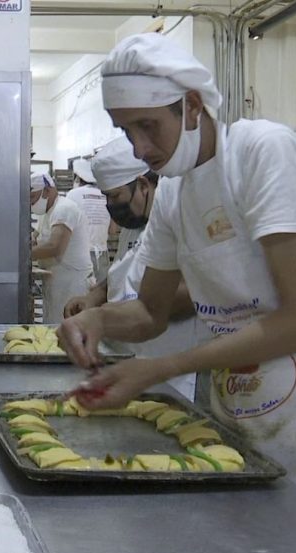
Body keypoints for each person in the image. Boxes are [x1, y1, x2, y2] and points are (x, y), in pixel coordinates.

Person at [57, 33, 296, 534]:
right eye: (125, 129)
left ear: (193, 106)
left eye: (148, 126)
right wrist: (96, 317)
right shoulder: (176, 192)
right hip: (234, 415)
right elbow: (149, 312)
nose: (140, 147)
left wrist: (160, 369)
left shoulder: (263, 154)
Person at [63, 137, 204, 400]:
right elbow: (120, 274)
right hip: (121, 359)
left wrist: (108, 317)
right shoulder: (135, 225)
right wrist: (92, 298)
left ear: (143, 185)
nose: (110, 206)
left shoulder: (179, 219)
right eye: (106, 197)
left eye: (115, 196)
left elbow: (192, 294)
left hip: (164, 368)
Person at [30, 171, 93, 324]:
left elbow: (54, 247)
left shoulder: (64, 209)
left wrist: (19, 256)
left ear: (47, 190)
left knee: (69, 331)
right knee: (53, 331)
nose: (31, 202)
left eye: (33, 197)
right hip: (57, 282)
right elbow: (34, 238)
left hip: (72, 284)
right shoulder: (47, 213)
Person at [68, 158, 111, 283]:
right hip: (102, 254)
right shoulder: (106, 195)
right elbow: (113, 229)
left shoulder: (73, 195)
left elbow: (67, 226)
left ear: (77, 178)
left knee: (80, 295)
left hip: (80, 254)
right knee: (100, 294)